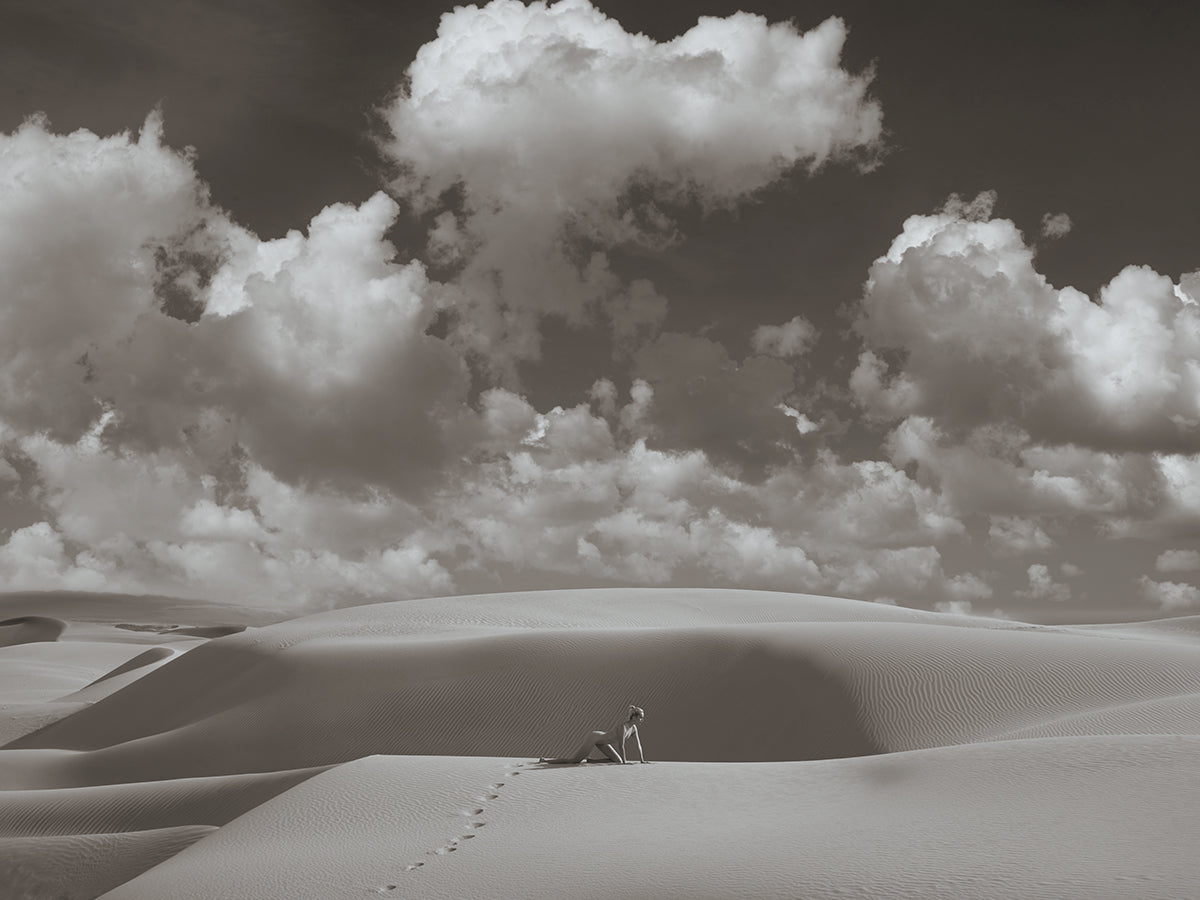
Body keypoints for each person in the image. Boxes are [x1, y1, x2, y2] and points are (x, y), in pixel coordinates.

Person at [540, 705, 647, 764]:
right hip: (595, 738)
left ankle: (591, 760)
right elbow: (621, 746)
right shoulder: (622, 727)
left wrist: (642, 760)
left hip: (603, 742)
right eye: (640, 717)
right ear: (633, 717)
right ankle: (545, 760)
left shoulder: (633, 728)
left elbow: (638, 745)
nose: (641, 719)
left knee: (617, 760)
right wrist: (625, 763)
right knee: (574, 761)